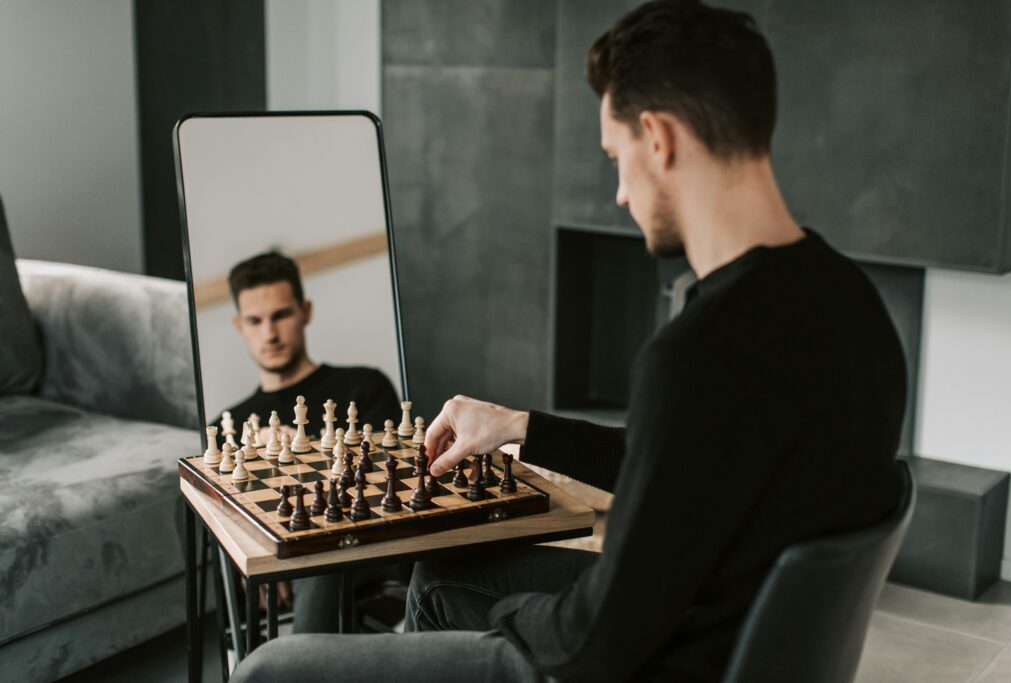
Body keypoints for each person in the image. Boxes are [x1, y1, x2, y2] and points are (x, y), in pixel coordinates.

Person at [232, 1, 906, 681]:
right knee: (441, 572)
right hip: (729, 635)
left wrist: (508, 615)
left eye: (616, 157)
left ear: (659, 139)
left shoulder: (699, 355)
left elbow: (596, 639)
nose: (619, 193)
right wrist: (523, 427)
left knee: (272, 669)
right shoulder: (851, 305)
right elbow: (682, 463)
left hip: (652, 662)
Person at [220, 251, 402, 633]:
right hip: (270, 577)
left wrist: (289, 546)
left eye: (281, 315)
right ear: (239, 327)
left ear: (305, 311)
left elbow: (386, 484)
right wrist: (263, 549)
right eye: (255, 321)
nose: (269, 334)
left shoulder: (365, 386)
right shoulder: (228, 428)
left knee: (319, 552)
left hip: (362, 550)